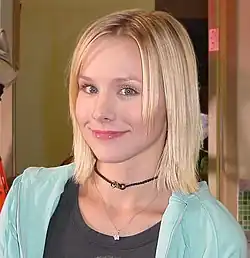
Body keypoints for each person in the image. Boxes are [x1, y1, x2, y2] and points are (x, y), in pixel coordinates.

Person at [0, 9, 247, 258]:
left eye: (128, 90)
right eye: (90, 88)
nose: (101, 112)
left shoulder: (213, 239)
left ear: (173, 99)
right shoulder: (27, 200)